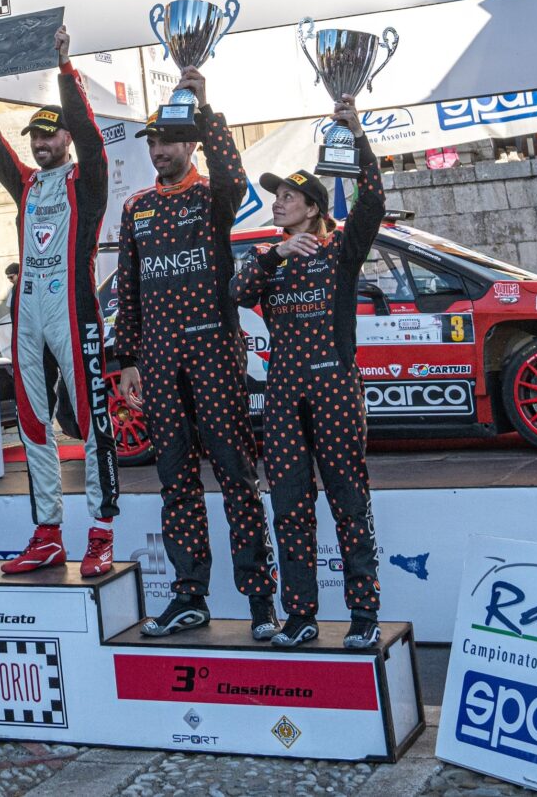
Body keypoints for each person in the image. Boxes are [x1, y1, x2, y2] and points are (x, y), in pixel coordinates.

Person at [112, 66, 276, 638]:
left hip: (212, 353)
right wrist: (126, 357)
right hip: (157, 361)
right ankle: (189, 595)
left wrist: (206, 109)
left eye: (170, 139)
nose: (160, 149)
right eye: (153, 141)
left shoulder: (213, 197)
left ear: (191, 143)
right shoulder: (135, 208)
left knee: (235, 475)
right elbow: (127, 286)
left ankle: (261, 603)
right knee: (175, 480)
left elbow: (235, 176)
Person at [0, 26, 119, 577]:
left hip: (74, 313)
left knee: (97, 425)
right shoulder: (27, 185)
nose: (39, 144)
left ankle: (100, 534)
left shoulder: (87, 180)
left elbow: (94, 138)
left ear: (67, 140)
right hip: (27, 318)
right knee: (32, 424)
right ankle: (48, 531)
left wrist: (65, 70)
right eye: (35, 137)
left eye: (49, 136)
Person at [231, 106, 384, 650]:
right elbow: (235, 295)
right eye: (274, 199)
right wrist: (273, 255)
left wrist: (359, 138)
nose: (277, 205)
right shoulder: (267, 257)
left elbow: (373, 201)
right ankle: (301, 617)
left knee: (349, 502)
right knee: (290, 507)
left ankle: (364, 616)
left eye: (287, 198)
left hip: (336, 390)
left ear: (313, 207)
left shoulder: (341, 249)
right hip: (283, 397)